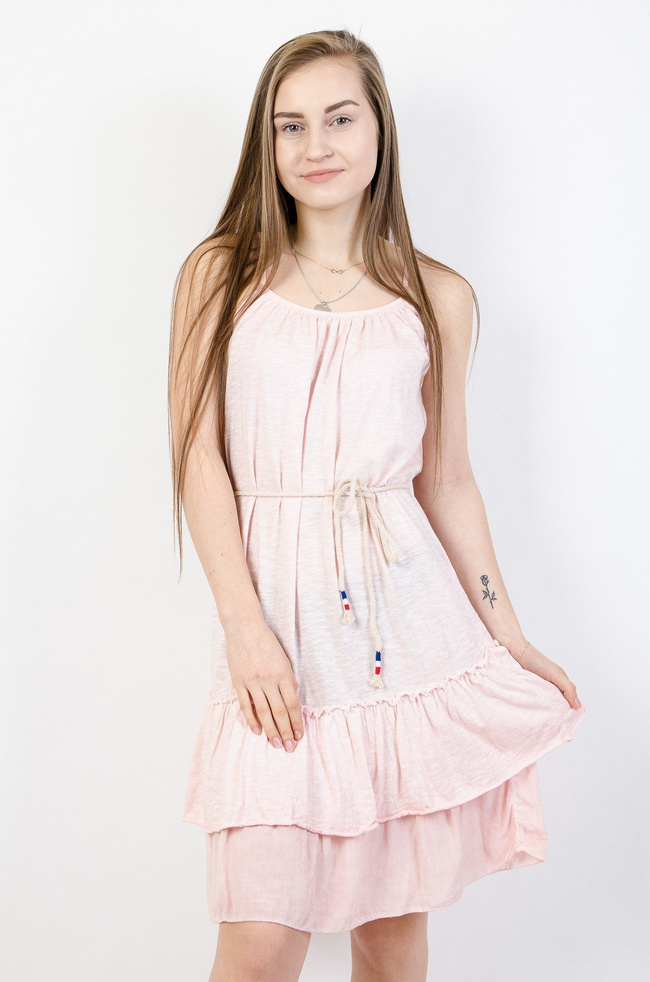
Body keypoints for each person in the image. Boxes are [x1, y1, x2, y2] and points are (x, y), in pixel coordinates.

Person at [168, 28, 586, 982]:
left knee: (392, 946)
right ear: (267, 143)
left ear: (379, 130)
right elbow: (198, 457)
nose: (316, 145)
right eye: (291, 125)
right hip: (277, 638)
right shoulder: (219, 273)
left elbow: (449, 481)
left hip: (403, 640)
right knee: (258, 946)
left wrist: (508, 634)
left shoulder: (436, 296)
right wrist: (244, 628)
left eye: (339, 118)